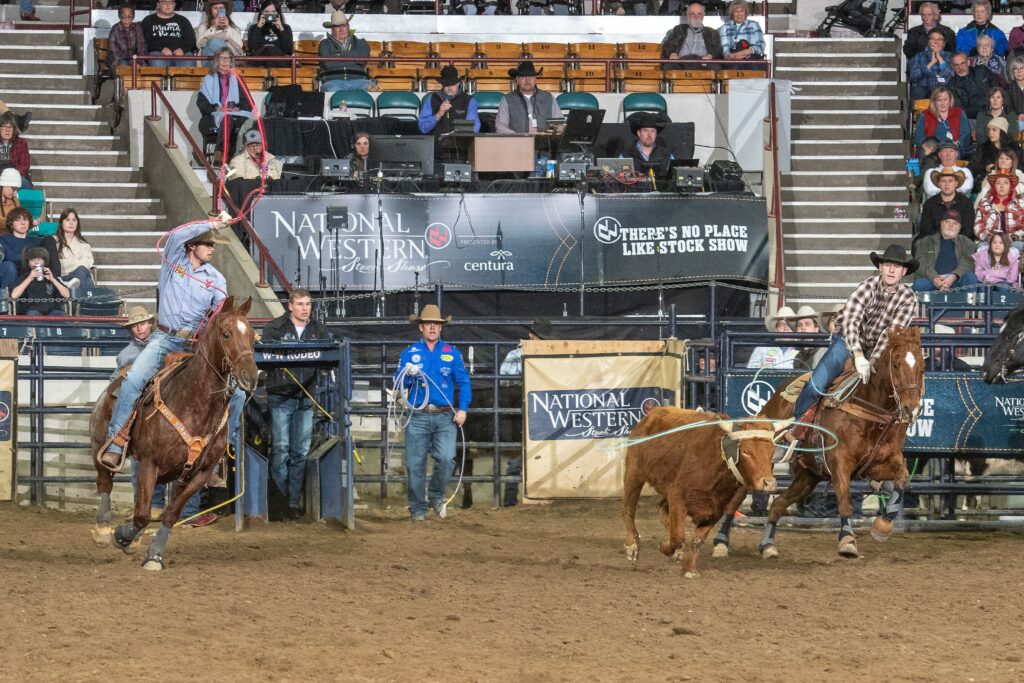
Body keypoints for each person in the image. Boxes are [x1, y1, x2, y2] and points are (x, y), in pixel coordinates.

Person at [96, 215, 241, 470]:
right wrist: (212, 224)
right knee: (132, 381)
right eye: (207, 244)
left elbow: (221, 314)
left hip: (196, 345)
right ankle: (117, 440)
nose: (212, 249)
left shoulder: (217, 279)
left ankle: (219, 451)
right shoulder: (174, 262)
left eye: (213, 245)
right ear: (192, 246)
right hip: (165, 338)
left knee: (235, 392)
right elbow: (174, 236)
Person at [790, 245, 918, 428]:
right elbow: (851, 322)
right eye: (888, 264)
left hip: (877, 347)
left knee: (897, 384)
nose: (891, 270)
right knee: (815, 385)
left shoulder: (908, 298)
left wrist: (872, 361)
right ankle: (794, 428)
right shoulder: (867, 287)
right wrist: (858, 356)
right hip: (847, 342)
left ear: (904, 271)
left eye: (897, 266)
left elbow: (890, 333)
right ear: (880, 267)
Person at [393, 304, 471, 522]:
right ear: (421, 327)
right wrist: (408, 374)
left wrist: (462, 409)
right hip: (417, 415)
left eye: (436, 324)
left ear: (441, 327)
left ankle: (436, 495)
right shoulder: (409, 353)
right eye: (428, 324)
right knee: (415, 464)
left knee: (447, 459)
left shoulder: (452, 353)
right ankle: (418, 508)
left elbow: (463, 382)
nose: (433, 328)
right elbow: (398, 382)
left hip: (445, 414)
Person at [261, 288, 331, 520]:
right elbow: (264, 359)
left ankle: (292, 503)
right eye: (300, 304)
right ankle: (279, 503)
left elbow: (328, 359)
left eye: (308, 304)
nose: (305, 308)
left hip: (305, 398)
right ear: (290, 306)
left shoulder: (318, 330)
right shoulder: (274, 328)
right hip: (280, 396)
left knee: (299, 451)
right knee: (280, 450)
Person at [498, 318, 550, 507]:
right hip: (523, 413)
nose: (541, 340)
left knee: (529, 457)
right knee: (518, 458)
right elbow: (504, 383)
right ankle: (510, 502)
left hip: (544, 414)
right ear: (530, 335)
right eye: (538, 336)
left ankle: (537, 497)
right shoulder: (516, 355)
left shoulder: (553, 354)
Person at [197, 48, 254, 158]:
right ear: (217, 61)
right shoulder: (209, 79)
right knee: (228, 119)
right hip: (213, 117)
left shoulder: (237, 79)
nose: (224, 62)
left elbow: (249, 103)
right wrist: (217, 109)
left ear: (231, 61)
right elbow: (202, 104)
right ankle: (221, 153)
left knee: (248, 122)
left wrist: (238, 108)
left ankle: (239, 157)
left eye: (227, 58)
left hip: (235, 114)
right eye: (221, 58)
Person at [912, 211, 980, 292]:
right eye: (947, 222)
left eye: (955, 223)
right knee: (919, 284)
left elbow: (969, 263)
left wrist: (953, 277)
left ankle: (969, 304)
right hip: (932, 281)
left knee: (970, 278)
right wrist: (935, 278)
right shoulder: (925, 242)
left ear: (959, 227)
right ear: (941, 223)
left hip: (957, 281)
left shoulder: (967, 243)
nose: (951, 225)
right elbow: (920, 264)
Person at [0, 207, 62, 291]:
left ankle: (57, 278)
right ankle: (5, 299)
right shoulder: (4, 239)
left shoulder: (36, 240)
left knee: (49, 239)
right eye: (18, 220)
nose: (22, 223)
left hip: (30, 272)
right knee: (9, 265)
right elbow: (11, 257)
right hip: (13, 272)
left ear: (29, 222)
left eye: (25, 219)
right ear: (11, 224)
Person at [494, 60, 562, 135]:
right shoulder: (507, 99)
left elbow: (559, 124)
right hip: (517, 144)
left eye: (531, 76)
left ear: (535, 79)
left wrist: (547, 136)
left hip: (545, 143)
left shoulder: (548, 98)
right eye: (523, 76)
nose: (527, 80)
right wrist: (520, 137)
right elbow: (500, 127)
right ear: (517, 79)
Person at [417, 65, 481, 138]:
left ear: (458, 83)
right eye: (447, 85)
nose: (450, 88)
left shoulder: (469, 100)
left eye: (453, 84)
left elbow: (474, 128)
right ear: (442, 84)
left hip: (461, 145)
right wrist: (438, 114)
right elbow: (423, 128)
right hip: (435, 146)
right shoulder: (432, 99)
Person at [918, 166, 976, 243]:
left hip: (960, 243)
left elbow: (968, 229)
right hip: (934, 243)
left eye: (950, 181)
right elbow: (926, 229)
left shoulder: (966, 203)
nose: (947, 184)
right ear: (939, 184)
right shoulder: (930, 203)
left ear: (956, 183)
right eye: (943, 181)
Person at [318, 11, 373, 92]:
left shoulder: (361, 42)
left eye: (343, 25)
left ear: (348, 26)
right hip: (333, 81)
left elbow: (363, 60)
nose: (341, 29)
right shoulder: (324, 44)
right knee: (332, 90)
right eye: (337, 26)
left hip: (360, 81)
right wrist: (355, 57)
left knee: (372, 88)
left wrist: (337, 56)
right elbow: (328, 64)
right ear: (332, 29)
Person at [659, 2, 724, 70]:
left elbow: (718, 50)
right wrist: (672, 53)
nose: (696, 16)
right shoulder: (678, 29)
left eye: (699, 14)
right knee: (668, 66)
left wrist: (710, 55)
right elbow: (668, 45)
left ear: (703, 15)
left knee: (715, 67)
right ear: (687, 15)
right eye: (692, 14)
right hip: (681, 63)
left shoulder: (712, 32)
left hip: (702, 64)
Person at [10, 247, 70, 316]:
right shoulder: (25, 277)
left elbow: (67, 295)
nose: (36, 262)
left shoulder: (51, 276)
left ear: (44, 261)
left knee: (61, 315)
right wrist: (29, 278)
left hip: (53, 310)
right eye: (32, 260)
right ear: (28, 263)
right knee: (32, 314)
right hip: (33, 311)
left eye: (39, 259)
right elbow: (14, 295)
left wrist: (53, 280)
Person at [913, 86, 970, 152]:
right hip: (931, 150)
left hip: (952, 149)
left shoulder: (959, 113)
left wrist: (957, 144)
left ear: (950, 100)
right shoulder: (925, 115)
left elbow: (966, 134)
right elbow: (919, 138)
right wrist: (931, 147)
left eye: (945, 100)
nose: (943, 103)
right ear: (934, 102)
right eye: (939, 100)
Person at [141, 0, 197, 67]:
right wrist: (161, 49)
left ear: (175, 4)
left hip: (181, 53)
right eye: (164, 2)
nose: (168, 4)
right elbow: (145, 40)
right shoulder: (148, 20)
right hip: (158, 53)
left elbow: (191, 40)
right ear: (158, 4)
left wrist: (183, 49)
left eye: (171, 2)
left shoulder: (183, 20)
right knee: (157, 62)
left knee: (188, 62)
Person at [975, 169, 1024, 243]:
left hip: (1013, 241)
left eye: (1006, 183)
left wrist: (1013, 237)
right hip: (989, 241)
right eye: (998, 183)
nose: (1002, 186)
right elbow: (978, 225)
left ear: (1010, 186)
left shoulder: (1020, 204)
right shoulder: (984, 203)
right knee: (983, 249)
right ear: (994, 186)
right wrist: (988, 238)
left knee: (1018, 247)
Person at [53, 208, 95, 291]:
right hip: (62, 278)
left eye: (74, 220)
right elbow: (56, 264)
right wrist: (76, 262)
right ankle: (88, 303)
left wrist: (67, 262)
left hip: (80, 275)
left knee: (82, 271)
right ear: (61, 223)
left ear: (77, 223)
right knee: (85, 274)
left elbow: (88, 263)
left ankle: (75, 296)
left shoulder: (84, 245)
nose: (71, 223)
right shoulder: (53, 241)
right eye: (67, 220)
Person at [621, 112, 673, 178]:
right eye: (645, 131)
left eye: (652, 131)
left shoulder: (667, 155)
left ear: (656, 134)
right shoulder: (625, 155)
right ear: (639, 133)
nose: (649, 135)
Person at [970, 116, 1021, 181]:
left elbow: (1020, 166)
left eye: (994, 130)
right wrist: (985, 168)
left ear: (1002, 132)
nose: (990, 132)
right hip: (988, 181)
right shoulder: (983, 147)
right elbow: (973, 166)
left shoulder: (1014, 148)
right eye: (989, 130)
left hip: (1011, 181)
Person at [247, 0, 294, 68]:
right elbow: (252, 48)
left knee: (271, 50)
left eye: (273, 12)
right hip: (260, 61)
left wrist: (281, 28)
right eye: (266, 12)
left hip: (279, 62)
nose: (270, 15)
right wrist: (259, 27)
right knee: (268, 50)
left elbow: (288, 50)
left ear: (278, 13)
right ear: (261, 13)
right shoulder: (254, 28)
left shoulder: (285, 28)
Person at [909, 30, 953, 101]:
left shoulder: (949, 56)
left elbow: (951, 74)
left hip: (943, 90)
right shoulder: (919, 56)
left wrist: (939, 58)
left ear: (944, 43)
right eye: (932, 39)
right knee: (917, 91)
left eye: (939, 39)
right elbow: (913, 76)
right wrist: (931, 63)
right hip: (923, 91)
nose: (936, 42)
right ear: (928, 42)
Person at [948, 52, 992, 120]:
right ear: (952, 67)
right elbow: (961, 110)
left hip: (993, 108)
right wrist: (985, 111)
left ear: (968, 62)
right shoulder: (951, 86)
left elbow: (997, 89)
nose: (960, 68)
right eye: (956, 65)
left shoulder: (982, 71)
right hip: (973, 118)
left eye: (963, 63)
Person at [113, 305, 155, 377]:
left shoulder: (162, 345)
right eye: (134, 326)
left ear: (150, 324)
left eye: (142, 324)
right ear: (130, 329)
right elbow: (116, 381)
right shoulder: (124, 356)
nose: (139, 329)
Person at [107, 4, 146, 69]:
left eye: (130, 16)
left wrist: (138, 62)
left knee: (144, 66)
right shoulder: (115, 29)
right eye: (124, 16)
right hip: (119, 59)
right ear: (119, 16)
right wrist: (131, 62)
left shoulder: (137, 28)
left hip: (135, 58)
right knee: (123, 65)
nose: (127, 19)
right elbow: (113, 50)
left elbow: (141, 46)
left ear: (133, 17)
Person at [0, 112, 32, 189]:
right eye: (4, 127)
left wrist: (11, 179)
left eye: (10, 127)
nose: (7, 130)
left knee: (23, 181)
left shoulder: (21, 143)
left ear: (14, 129)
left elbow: (24, 166)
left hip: (17, 177)